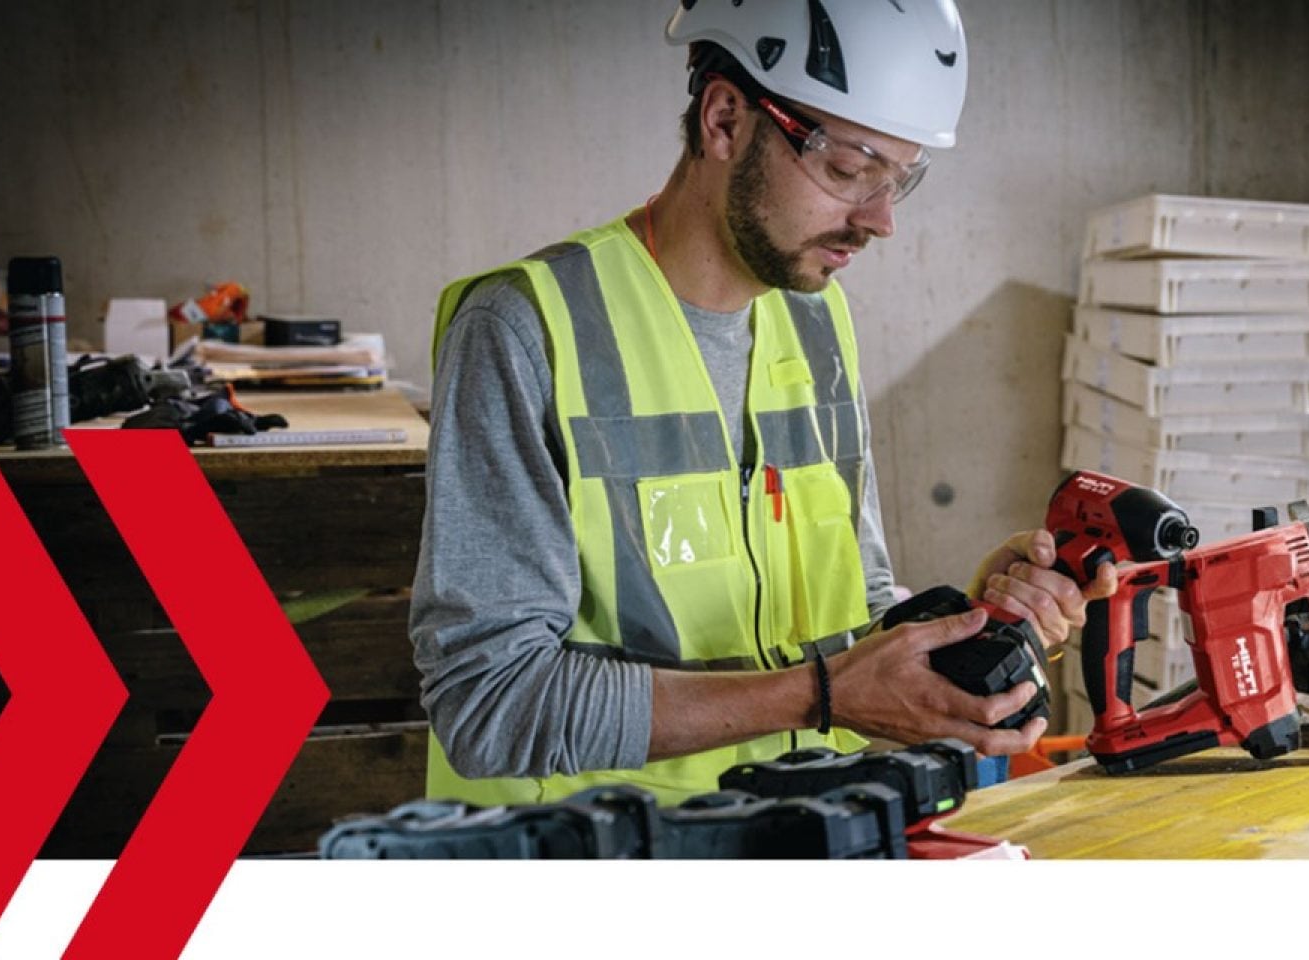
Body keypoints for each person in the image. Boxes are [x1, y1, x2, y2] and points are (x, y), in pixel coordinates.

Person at [412, 0, 1118, 807]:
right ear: (724, 120)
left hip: (798, 840)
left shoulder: (814, 315)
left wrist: (957, 625)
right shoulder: (526, 329)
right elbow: (488, 704)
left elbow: (851, 612)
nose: (879, 221)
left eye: (899, 180)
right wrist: (822, 693)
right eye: (849, 170)